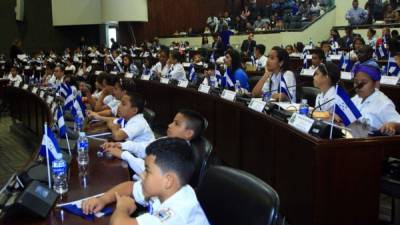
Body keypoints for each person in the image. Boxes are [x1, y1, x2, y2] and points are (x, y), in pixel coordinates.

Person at [81, 138, 210, 225]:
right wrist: (103, 200)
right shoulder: (170, 189)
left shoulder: (177, 213)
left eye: (147, 171)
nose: (142, 175)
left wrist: (122, 208)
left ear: (168, 181)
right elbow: (130, 186)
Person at [350, 64, 400, 135]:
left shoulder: (384, 104)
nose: (358, 86)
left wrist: (393, 125)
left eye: (363, 82)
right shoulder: (356, 98)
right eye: (356, 82)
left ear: (376, 84)